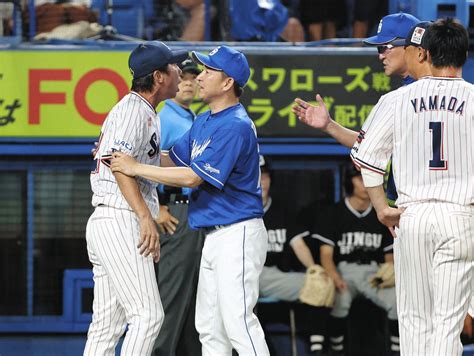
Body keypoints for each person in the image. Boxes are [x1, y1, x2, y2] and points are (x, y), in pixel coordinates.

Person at [110, 45, 270, 356]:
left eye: (209, 71)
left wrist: (133, 167)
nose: (200, 76)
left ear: (227, 83)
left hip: (238, 232)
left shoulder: (234, 124)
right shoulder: (206, 120)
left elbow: (192, 177)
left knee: (239, 324)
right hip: (213, 233)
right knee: (209, 329)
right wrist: (127, 154)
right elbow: (171, 159)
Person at [351, 19, 473, 355]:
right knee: (448, 323)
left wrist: (381, 209)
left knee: (415, 319)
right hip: (460, 216)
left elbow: (367, 159)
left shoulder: (397, 99)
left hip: (412, 215)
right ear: (464, 54)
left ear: (426, 53)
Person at [84, 41, 188, 356]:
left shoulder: (142, 111)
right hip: (121, 217)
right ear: (158, 77)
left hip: (109, 218)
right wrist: (146, 216)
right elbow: (121, 165)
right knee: (148, 315)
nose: (180, 70)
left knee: (107, 326)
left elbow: (141, 161)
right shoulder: (133, 110)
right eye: (173, 66)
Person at [313, 165, 398, 355]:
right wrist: (335, 278)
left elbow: (389, 258)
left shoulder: (382, 215)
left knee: (397, 300)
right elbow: (326, 256)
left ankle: (397, 350)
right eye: (360, 178)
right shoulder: (333, 213)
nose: (366, 184)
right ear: (349, 181)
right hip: (345, 272)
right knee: (338, 300)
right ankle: (337, 349)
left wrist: (387, 276)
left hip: (374, 274)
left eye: (369, 179)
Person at [152, 59, 204, 356]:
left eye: (193, 77)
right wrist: (156, 206)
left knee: (194, 298)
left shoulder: (190, 117)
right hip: (174, 209)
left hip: (194, 211)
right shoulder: (164, 117)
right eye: (182, 77)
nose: (187, 82)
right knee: (170, 297)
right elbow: (141, 164)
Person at [258, 156, 329, 355]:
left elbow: (299, 245)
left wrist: (313, 268)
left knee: (320, 284)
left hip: (274, 277)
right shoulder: (240, 210)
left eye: (265, 176)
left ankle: (317, 348)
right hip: (246, 276)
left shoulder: (282, 210)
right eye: (255, 177)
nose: (261, 182)